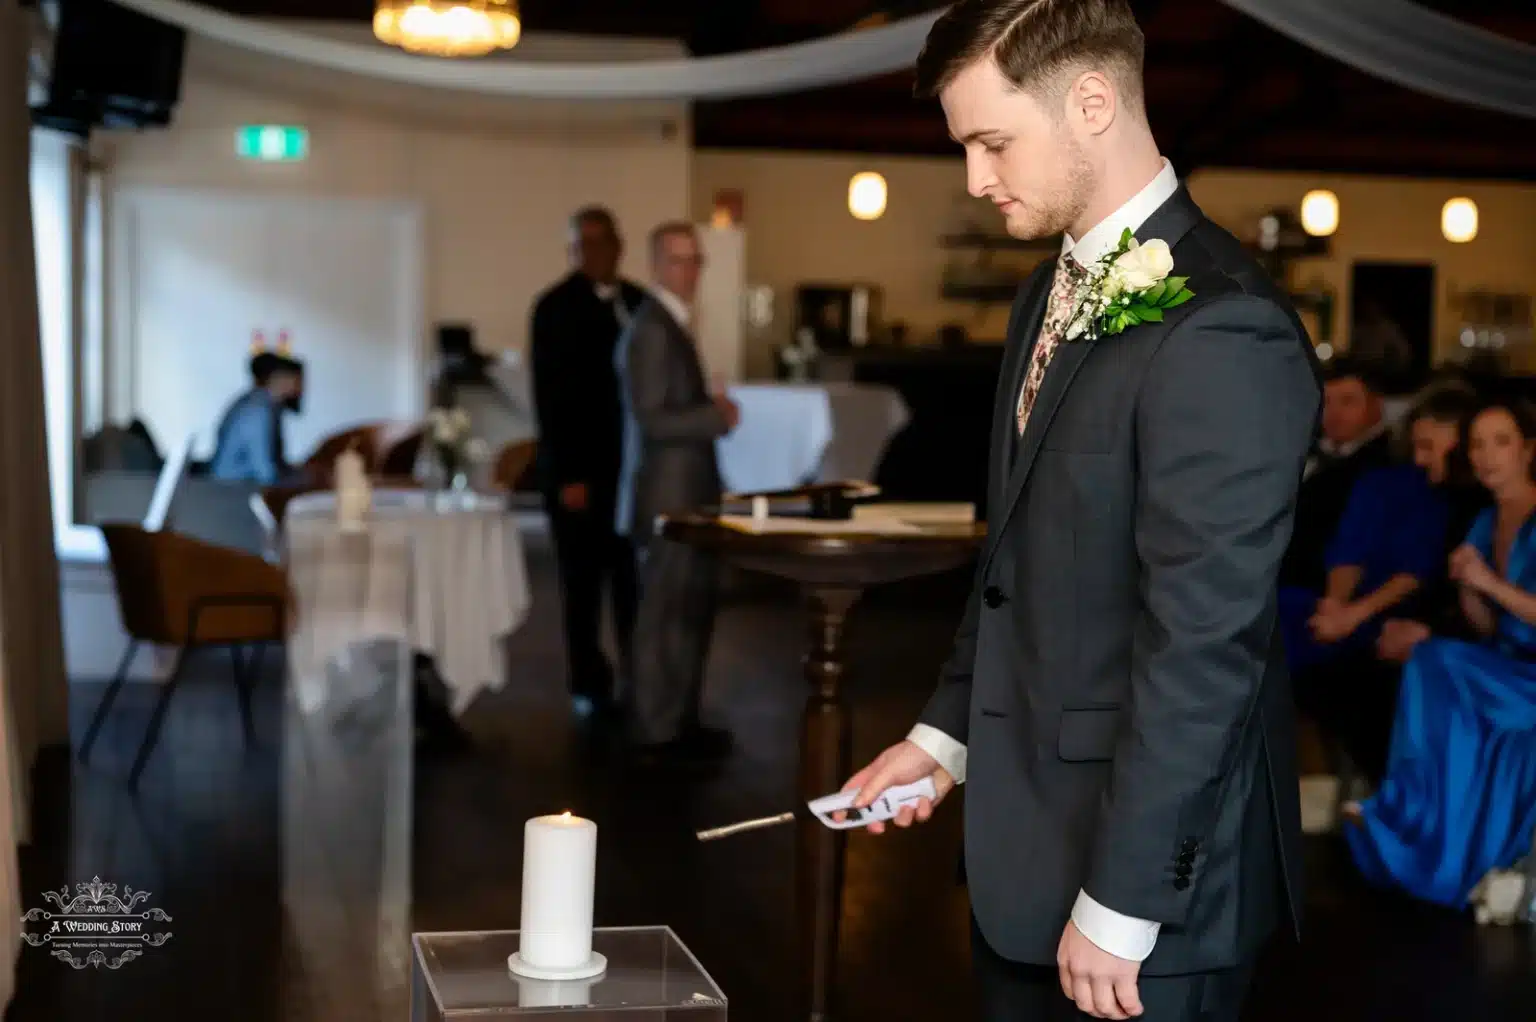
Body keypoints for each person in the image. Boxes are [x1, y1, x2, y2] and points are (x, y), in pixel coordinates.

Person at [838, 3, 1320, 1020]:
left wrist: (1125, 896)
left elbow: (1207, 641)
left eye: (991, 141)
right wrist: (945, 734)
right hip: (1026, 839)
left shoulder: (1227, 325)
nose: (975, 178)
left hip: (1143, 893)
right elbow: (1013, 557)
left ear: (1092, 102)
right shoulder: (1040, 294)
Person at [1345, 399, 1536, 908]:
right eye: (1477, 444)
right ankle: (1413, 819)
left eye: (1501, 442)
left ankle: (1403, 809)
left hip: (1527, 677)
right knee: (1432, 658)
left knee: (1436, 657)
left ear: (1528, 450)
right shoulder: (1484, 520)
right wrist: (1472, 591)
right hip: (1503, 662)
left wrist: (1488, 582)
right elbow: (1488, 626)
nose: (1487, 456)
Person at [1287, 386, 1487, 783]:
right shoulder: (1392, 483)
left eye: (1430, 446)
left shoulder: (1471, 503)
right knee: (1276, 619)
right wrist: (1337, 605)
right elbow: (1350, 550)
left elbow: (1421, 571)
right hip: (1365, 612)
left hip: (1414, 620)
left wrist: (1356, 616)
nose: (1420, 457)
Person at [614, 222, 739, 765]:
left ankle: (676, 723)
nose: (690, 271)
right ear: (656, 265)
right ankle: (655, 731)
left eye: (696, 260)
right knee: (664, 617)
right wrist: (717, 416)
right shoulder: (651, 328)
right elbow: (652, 418)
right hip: (667, 494)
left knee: (686, 612)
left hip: (684, 492)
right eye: (679, 260)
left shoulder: (669, 322)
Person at [530, 207, 648, 720]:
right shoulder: (554, 307)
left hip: (631, 472)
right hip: (579, 471)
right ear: (572, 251)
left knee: (632, 583)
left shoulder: (640, 302)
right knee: (581, 585)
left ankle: (639, 677)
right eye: (583, 245)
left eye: (602, 243)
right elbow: (552, 397)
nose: (593, 253)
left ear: (619, 247)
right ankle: (588, 684)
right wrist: (569, 475)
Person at [1279, 357, 1393, 592]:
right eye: (1327, 401)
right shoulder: (1301, 447)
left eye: (1348, 401)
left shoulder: (1386, 465)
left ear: (1377, 405)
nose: (1334, 412)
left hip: (1315, 587)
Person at [209, 350, 306, 485]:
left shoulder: (262, 403)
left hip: (237, 484)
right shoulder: (259, 410)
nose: (300, 387)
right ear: (279, 379)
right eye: (297, 380)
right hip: (233, 489)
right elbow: (264, 471)